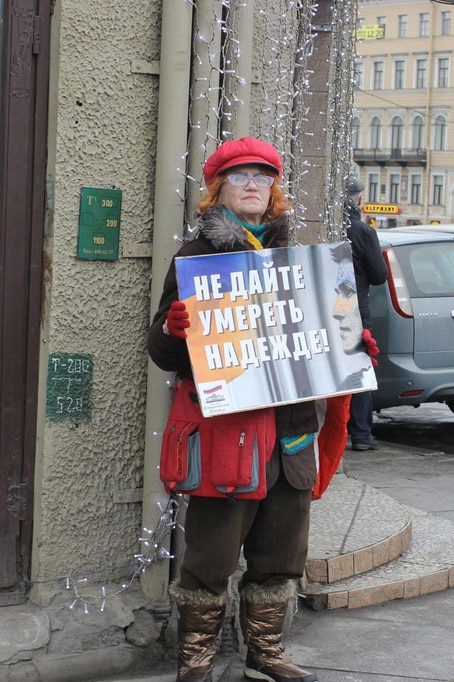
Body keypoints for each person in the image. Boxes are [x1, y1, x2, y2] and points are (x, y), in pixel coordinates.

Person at [147, 137, 320, 682]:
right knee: (211, 555)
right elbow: (160, 349)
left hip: (290, 432)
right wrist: (174, 332)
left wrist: (350, 342)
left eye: (263, 177)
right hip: (228, 432)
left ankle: (265, 655)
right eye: (241, 175)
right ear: (219, 187)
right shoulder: (197, 258)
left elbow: (316, 338)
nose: (253, 184)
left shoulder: (298, 261)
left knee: (279, 553)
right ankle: (195, 658)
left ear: (274, 190)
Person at [343, 176, 387, 451]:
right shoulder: (362, 231)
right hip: (356, 311)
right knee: (359, 370)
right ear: (358, 198)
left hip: (326, 308)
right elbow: (379, 275)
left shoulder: (332, 226)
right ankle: (360, 433)